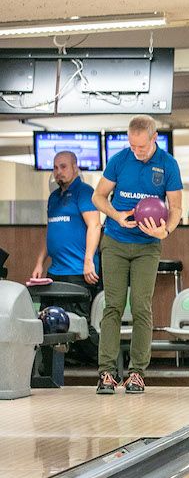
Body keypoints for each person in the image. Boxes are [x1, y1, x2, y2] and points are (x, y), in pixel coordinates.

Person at [91, 115, 183, 394]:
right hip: (115, 242)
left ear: (154, 138)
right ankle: (106, 373)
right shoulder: (119, 160)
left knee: (141, 306)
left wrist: (165, 231)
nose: (137, 151)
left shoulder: (168, 164)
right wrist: (116, 215)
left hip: (147, 246)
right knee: (113, 306)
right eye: (133, 146)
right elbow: (98, 197)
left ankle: (136, 373)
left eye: (141, 147)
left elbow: (176, 207)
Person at [31, 150, 102, 362]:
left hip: (79, 272)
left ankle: (107, 366)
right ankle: (47, 374)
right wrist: (39, 262)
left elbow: (95, 225)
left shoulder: (84, 192)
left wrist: (89, 260)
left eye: (63, 167)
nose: (58, 171)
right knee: (46, 325)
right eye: (55, 167)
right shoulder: (54, 197)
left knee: (80, 326)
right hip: (55, 273)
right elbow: (51, 231)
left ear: (75, 167)